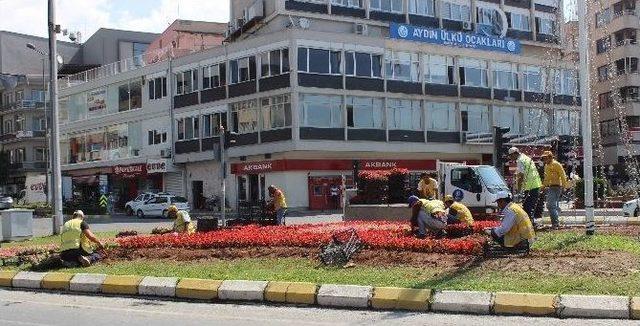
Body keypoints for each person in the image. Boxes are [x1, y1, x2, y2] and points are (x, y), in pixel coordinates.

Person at [508, 147, 542, 227]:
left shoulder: (520, 161)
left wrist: (519, 189)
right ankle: (531, 223)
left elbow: (521, 176)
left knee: (527, 207)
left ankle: (529, 225)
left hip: (529, 187)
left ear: (515, 154)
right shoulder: (526, 158)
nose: (510, 157)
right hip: (536, 185)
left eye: (511, 155)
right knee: (531, 205)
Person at [541, 151, 568, 228]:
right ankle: (556, 221)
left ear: (550, 157)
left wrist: (564, 186)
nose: (544, 160)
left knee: (550, 205)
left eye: (546, 158)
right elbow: (547, 178)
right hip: (551, 187)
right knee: (552, 205)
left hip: (556, 187)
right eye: (543, 158)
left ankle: (555, 223)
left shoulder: (556, 164)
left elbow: (563, 175)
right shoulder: (546, 166)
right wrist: (543, 186)